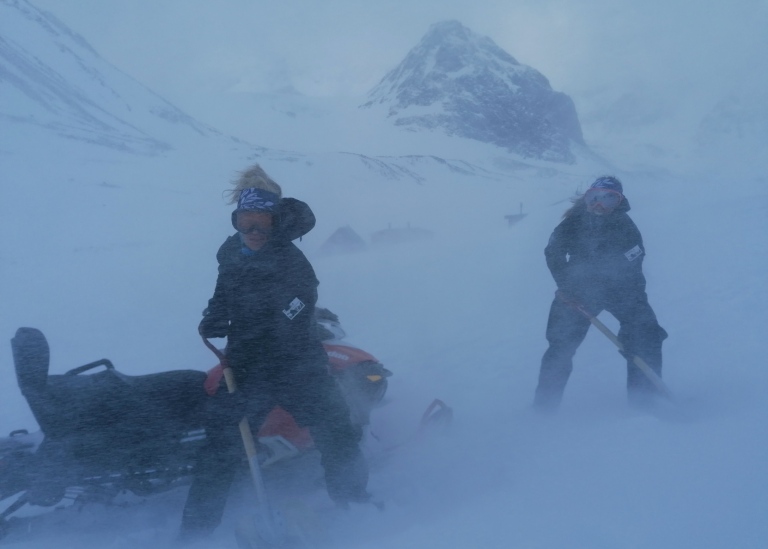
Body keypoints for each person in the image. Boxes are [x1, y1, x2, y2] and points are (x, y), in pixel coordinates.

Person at [180, 164, 369, 538]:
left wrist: (258, 335)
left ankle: (356, 506)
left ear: (275, 222)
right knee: (219, 445)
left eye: (260, 224)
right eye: (244, 222)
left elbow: (295, 313)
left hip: (297, 363)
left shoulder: (292, 262)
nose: (251, 232)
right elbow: (223, 295)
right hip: (247, 367)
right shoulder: (231, 254)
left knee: (335, 429)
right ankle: (194, 534)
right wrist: (214, 318)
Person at [533, 176, 668, 411]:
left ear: (619, 202)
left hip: (622, 291)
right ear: (587, 198)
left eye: (609, 199)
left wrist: (630, 304)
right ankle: (544, 409)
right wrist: (566, 285)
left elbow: (634, 261)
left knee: (646, 335)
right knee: (560, 348)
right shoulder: (572, 223)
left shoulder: (625, 226)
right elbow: (553, 252)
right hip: (576, 291)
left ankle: (646, 402)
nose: (599, 204)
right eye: (594, 197)